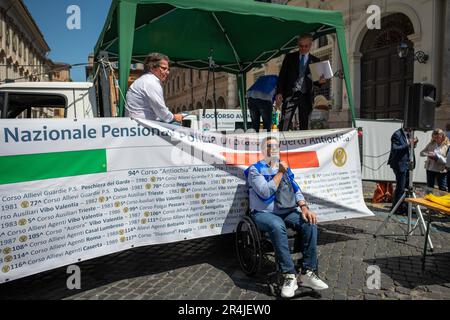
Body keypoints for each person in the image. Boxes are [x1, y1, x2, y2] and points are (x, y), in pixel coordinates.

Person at [244, 136, 328, 298]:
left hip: (287, 211)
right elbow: (265, 192)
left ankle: (307, 272)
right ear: (263, 151)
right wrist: (280, 172)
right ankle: (289, 276)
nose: (274, 149)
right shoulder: (255, 169)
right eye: (269, 146)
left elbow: (296, 189)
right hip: (263, 213)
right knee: (277, 225)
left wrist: (304, 207)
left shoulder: (285, 168)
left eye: (276, 146)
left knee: (309, 222)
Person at [276, 34, 327, 131]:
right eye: (301, 46)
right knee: (285, 122)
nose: (303, 48)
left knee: (304, 124)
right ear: (298, 45)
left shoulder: (316, 60)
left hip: (306, 96)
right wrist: (279, 92)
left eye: (306, 46)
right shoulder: (289, 58)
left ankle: (303, 144)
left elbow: (316, 82)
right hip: (290, 94)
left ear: (310, 45)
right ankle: (281, 143)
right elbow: (282, 77)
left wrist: (321, 82)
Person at [125, 52, 184, 123]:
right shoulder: (151, 82)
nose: (167, 72)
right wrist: (174, 117)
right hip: (143, 127)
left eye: (168, 69)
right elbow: (161, 110)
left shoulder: (145, 80)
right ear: (152, 67)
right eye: (164, 68)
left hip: (137, 125)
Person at [387, 127, 418, 215]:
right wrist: (409, 144)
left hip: (408, 164)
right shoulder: (397, 134)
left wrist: (413, 145)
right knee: (400, 188)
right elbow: (395, 148)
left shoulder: (410, 133)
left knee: (408, 188)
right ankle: (397, 208)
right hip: (399, 164)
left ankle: (406, 208)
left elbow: (408, 149)